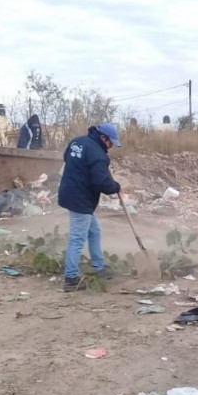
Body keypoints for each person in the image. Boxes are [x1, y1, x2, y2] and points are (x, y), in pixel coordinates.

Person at [57, 124, 122, 291]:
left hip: (69, 192)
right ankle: (71, 279)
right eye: (111, 142)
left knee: (94, 231)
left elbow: (67, 159)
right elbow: (102, 183)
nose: (112, 146)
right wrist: (115, 186)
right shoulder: (98, 155)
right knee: (77, 239)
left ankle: (99, 267)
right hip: (81, 198)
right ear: (103, 138)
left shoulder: (76, 142)